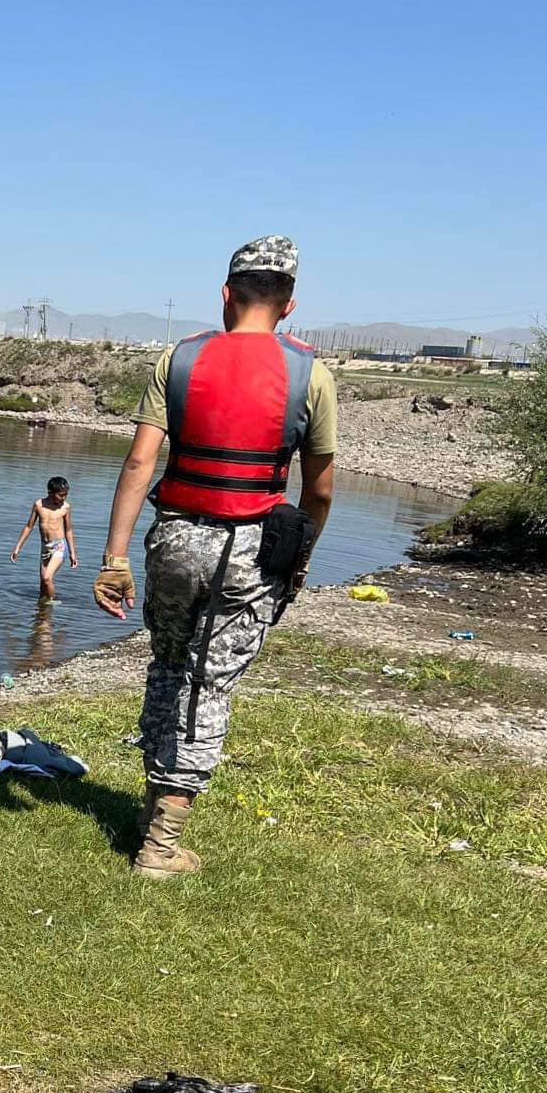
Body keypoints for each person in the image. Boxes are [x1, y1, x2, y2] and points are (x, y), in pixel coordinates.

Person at [91, 236, 336, 877]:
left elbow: (142, 461)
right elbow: (319, 490)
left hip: (172, 541)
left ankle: (151, 812)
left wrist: (114, 558)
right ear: (289, 306)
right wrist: (300, 559)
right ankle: (162, 845)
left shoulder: (178, 359)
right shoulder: (311, 374)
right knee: (211, 683)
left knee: (170, 664)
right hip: (249, 553)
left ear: (226, 294)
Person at [11, 475, 78, 597]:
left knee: (47, 578)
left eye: (66, 495)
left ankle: (52, 603)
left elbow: (68, 530)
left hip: (59, 546)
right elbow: (29, 527)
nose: (64, 498)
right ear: (50, 493)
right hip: (45, 547)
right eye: (61, 495)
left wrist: (72, 553)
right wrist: (17, 548)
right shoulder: (39, 505)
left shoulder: (65, 507)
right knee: (43, 583)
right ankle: (43, 611)